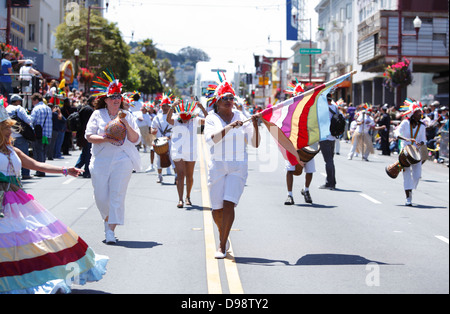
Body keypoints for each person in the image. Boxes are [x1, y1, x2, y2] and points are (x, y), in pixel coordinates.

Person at [0, 105, 108, 294]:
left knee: (32, 240)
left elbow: (36, 164)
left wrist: (65, 170)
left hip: (18, 201)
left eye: (9, 126)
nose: (10, 130)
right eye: (6, 126)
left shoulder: (12, 150)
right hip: (2, 203)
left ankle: (33, 278)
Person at [204, 75, 260, 259]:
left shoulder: (242, 116)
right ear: (218, 102)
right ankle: (223, 234)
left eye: (231, 98)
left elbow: (255, 143)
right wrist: (229, 128)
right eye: (225, 98)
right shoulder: (211, 118)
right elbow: (212, 140)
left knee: (229, 204)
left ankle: (221, 245)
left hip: (238, 166)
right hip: (218, 166)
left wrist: (255, 124)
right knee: (216, 209)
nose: (229, 101)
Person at [86, 73, 141, 244]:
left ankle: (110, 231)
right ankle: (107, 219)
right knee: (101, 196)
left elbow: (136, 139)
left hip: (122, 159)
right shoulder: (97, 114)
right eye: (113, 97)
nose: (116, 99)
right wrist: (106, 138)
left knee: (117, 195)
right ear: (106, 99)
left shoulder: (127, 115)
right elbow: (88, 136)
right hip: (101, 159)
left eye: (119, 96)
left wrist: (125, 125)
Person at [167, 100, 208, 208]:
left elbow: (208, 120)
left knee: (189, 176)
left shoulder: (196, 120)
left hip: (191, 151)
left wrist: (202, 108)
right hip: (178, 150)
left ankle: (188, 196)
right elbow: (168, 119)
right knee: (180, 175)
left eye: (188, 115)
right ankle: (180, 199)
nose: (186, 118)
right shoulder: (176, 120)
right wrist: (172, 107)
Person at [394, 100, 426, 206]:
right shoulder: (405, 123)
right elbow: (396, 133)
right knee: (406, 174)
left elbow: (423, 140)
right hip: (405, 151)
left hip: (416, 152)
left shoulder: (422, 126)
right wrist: (406, 138)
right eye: (417, 112)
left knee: (417, 176)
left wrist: (420, 143)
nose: (420, 114)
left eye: (420, 112)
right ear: (412, 114)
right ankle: (408, 197)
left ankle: (409, 188)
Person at [5, 94, 33, 179]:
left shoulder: (6, 109)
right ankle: (25, 173)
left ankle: (12, 174)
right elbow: (28, 120)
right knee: (24, 155)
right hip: (20, 136)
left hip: (8, 137)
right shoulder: (19, 109)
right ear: (17, 101)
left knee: (10, 156)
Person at [151, 94, 175, 183]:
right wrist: (153, 130)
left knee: (173, 158)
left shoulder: (174, 116)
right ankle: (159, 176)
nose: (165, 107)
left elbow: (177, 129)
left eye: (167, 106)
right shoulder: (157, 117)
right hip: (159, 141)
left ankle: (176, 176)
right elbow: (152, 127)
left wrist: (170, 137)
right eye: (163, 106)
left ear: (170, 107)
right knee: (159, 159)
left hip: (171, 141)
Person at [30, 93, 52, 177]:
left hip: (39, 135)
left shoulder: (36, 109)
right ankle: (43, 169)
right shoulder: (48, 108)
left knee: (38, 152)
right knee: (43, 153)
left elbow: (31, 121)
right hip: (48, 134)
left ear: (36, 100)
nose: (32, 103)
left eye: (32, 101)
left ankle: (40, 171)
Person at [318, 93, 337, 190]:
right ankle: (332, 181)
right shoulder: (335, 107)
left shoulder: (322, 108)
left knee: (328, 161)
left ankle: (330, 183)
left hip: (324, 137)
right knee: (330, 160)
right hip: (333, 137)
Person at [75, 95, 95, 178]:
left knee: (84, 153)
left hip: (83, 134)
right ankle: (86, 171)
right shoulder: (89, 110)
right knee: (88, 154)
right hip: (86, 134)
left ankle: (77, 169)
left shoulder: (85, 108)